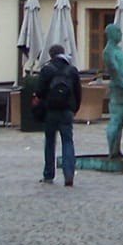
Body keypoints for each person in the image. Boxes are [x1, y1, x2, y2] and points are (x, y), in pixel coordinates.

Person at [36, 43, 80, 185]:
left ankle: (49, 174)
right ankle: (69, 174)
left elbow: (39, 91)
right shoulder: (72, 70)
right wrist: (74, 109)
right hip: (67, 111)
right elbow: (78, 92)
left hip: (51, 110)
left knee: (50, 142)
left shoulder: (47, 70)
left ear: (51, 55)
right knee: (68, 141)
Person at [101, 23, 123, 159]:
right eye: (118, 32)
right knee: (116, 119)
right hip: (118, 88)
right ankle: (111, 150)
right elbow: (113, 69)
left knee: (122, 120)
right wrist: (122, 84)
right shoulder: (108, 51)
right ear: (111, 34)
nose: (120, 34)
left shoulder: (117, 49)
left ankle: (116, 149)